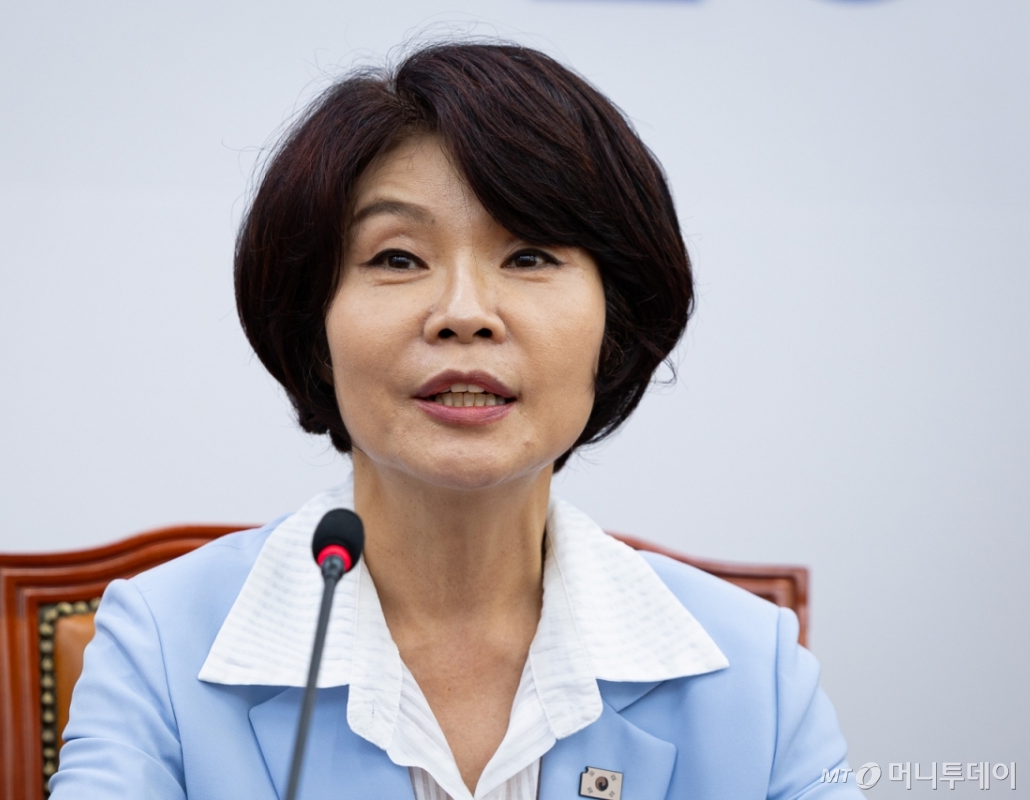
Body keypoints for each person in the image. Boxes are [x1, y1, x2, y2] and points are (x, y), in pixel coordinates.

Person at [50, 42, 862, 800]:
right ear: (314, 328)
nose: (464, 313)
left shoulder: (754, 671)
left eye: (530, 255)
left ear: (613, 327)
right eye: (397, 258)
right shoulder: (161, 646)